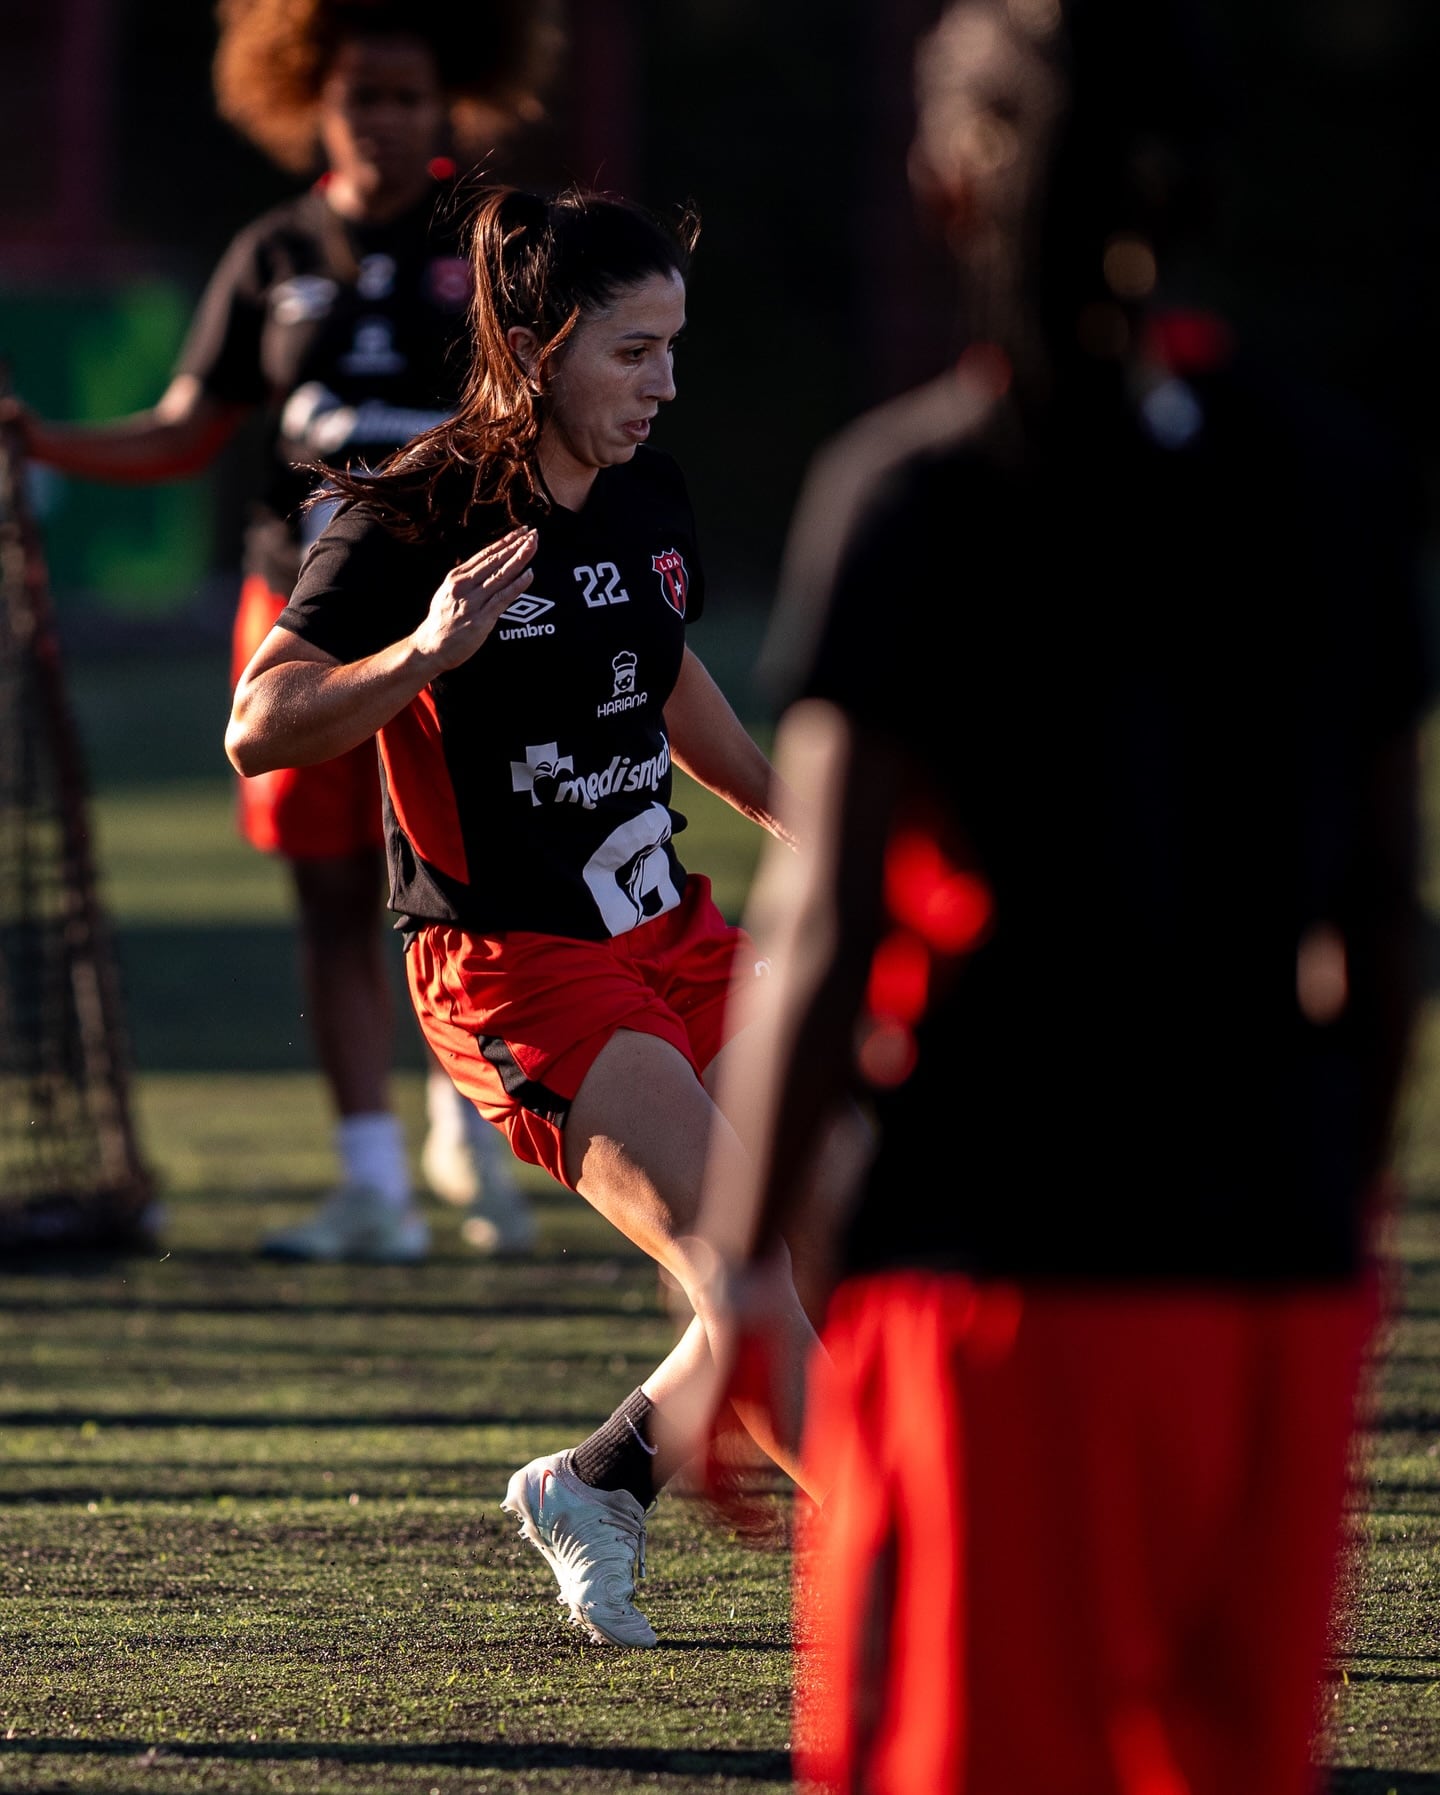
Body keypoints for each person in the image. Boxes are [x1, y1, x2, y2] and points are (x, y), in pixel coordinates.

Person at [691, 2, 1429, 1790]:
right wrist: (1324, 1212)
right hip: (1265, 1282)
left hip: (998, 1279)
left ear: (952, 189)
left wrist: (735, 1275)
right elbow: (1386, 924)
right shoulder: (1336, 482)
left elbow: (828, 925)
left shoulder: (920, 495)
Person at [224, 183, 834, 1648]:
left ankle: (600, 1476)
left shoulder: (647, 491)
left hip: (667, 927)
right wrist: (422, 654)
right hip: (519, 966)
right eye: (635, 351)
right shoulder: (419, 509)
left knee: (849, 1222)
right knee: (744, 1273)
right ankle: (939, 1570)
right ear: (542, 343)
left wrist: (804, 818)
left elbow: (662, 671)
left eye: (675, 347)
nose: (665, 382)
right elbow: (263, 722)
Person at [1, 0, 560, 1263]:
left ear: (448, 102)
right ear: (313, 97)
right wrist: (43, 439)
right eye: (363, 94)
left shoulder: (496, 238)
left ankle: (478, 1119)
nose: (385, 118)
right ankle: (370, 1177)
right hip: (304, 604)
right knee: (324, 888)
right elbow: (189, 424)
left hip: (469, 601)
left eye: (410, 95)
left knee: (482, 868)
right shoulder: (273, 250)